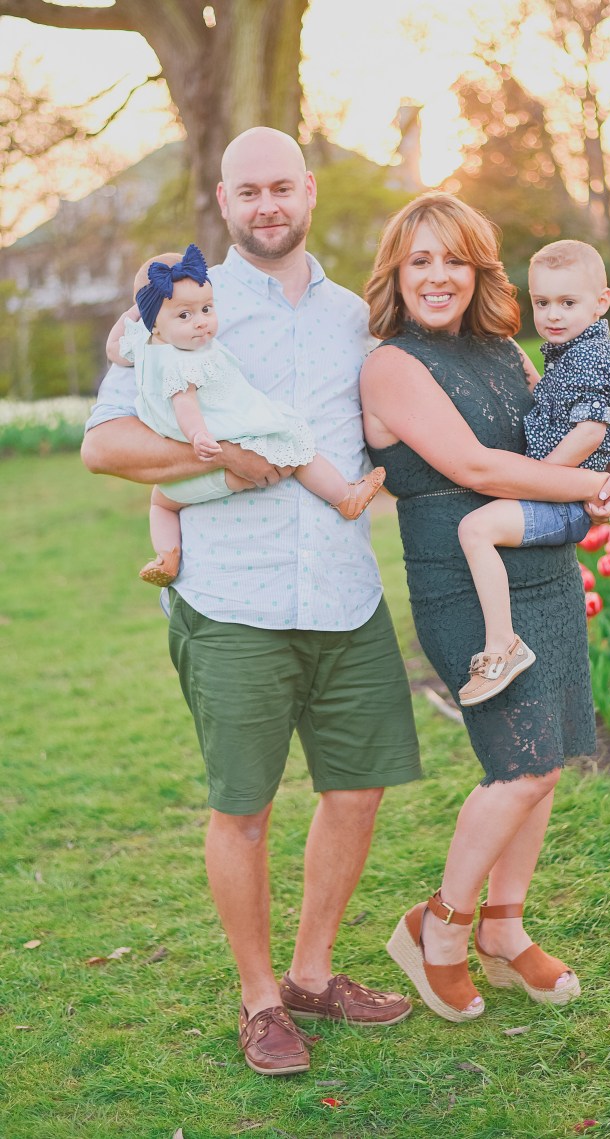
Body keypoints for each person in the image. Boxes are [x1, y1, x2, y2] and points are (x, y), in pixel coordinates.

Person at [81, 127, 422, 1075]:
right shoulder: (181, 307)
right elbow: (104, 445)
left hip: (347, 595)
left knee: (357, 790)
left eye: (282, 187)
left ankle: (314, 974)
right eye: (248, 191)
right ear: (223, 201)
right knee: (245, 805)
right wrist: (221, 465)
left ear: (308, 192)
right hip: (233, 600)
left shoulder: (357, 314)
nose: (267, 204)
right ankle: (262, 999)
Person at [360, 192, 610, 1023]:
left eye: (454, 258)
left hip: (544, 568)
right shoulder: (390, 364)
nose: (438, 275)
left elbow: (568, 435)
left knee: (546, 758)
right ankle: (436, 927)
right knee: (519, 764)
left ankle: (504, 929)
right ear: (398, 274)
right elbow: (480, 467)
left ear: (477, 269)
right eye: (420, 260)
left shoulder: (507, 350)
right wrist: (593, 485)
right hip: (462, 580)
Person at [105, 243, 385, 585]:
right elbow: (185, 404)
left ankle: (167, 556)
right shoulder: (185, 359)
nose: (200, 323)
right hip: (229, 432)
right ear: (156, 324)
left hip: (198, 457)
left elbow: (113, 346)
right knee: (298, 449)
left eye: (207, 309)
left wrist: (138, 310)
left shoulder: (146, 349)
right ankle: (345, 496)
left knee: (162, 503)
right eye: (184, 315)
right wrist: (199, 436)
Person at [456, 238, 610, 706]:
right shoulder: (569, 350)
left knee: (476, 530)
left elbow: (591, 431)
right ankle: (503, 643)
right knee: (479, 528)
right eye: (542, 302)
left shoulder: (591, 357)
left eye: (567, 302)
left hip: (566, 501)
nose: (552, 315)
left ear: (601, 303)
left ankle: (503, 645)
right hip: (563, 492)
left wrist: (540, 477)